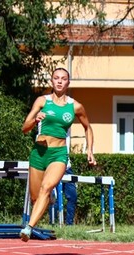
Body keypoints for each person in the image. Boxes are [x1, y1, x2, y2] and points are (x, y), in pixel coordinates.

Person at [20, 67, 96, 241]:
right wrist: (35, 119)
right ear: (51, 81)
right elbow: (24, 128)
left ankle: (28, 228)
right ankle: (49, 196)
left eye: (63, 78)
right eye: (56, 78)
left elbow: (88, 127)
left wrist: (89, 149)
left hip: (58, 154)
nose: (60, 81)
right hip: (39, 153)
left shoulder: (75, 106)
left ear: (68, 83)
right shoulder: (42, 101)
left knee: (45, 188)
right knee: (35, 197)